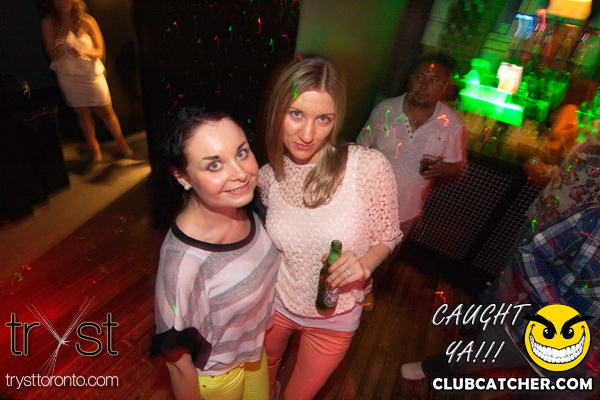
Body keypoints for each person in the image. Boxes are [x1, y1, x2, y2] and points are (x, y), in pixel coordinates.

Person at [258, 56, 402, 400]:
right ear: (277, 111)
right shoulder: (267, 177)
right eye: (296, 114)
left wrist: (366, 264)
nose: (308, 134)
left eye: (323, 119)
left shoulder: (367, 167)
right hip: (277, 304)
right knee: (263, 379)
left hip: (334, 317)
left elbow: (389, 235)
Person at [400, 203, 600, 399]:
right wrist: (555, 307)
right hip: (533, 326)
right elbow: (531, 251)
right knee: (473, 357)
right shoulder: (594, 220)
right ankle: (432, 367)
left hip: (584, 366)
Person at [151, 101, 280, 400]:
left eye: (241, 152)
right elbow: (178, 365)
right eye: (214, 165)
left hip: (253, 353)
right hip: (218, 377)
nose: (241, 173)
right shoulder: (183, 264)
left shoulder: (249, 205)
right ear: (182, 176)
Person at [356, 53, 466, 311]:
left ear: (445, 88)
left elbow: (457, 166)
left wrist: (443, 169)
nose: (424, 86)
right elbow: (359, 149)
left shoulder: (452, 124)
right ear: (410, 78)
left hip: (405, 212)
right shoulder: (385, 110)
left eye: (433, 81)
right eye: (419, 77)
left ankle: (367, 293)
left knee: (383, 260)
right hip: (364, 206)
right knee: (352, 249)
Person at [41, 0, 133, 162]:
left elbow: (100, 53)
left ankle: (122, 144)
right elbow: (50, 54)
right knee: (82, 115)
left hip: (91, 74)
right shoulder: (48, 22)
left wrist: (83, 52)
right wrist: (58, 49)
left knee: (107, 112)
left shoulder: (87, 21)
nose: (61, 2)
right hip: (68, 76)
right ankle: (95, 149)